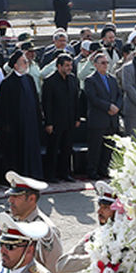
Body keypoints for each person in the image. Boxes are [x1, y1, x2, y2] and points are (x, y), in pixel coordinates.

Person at [0, 172, 64, 273]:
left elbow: (55, 270)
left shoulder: (44, 230)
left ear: (31, 199)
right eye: (10, 196)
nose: (10, 200)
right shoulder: (9, 220)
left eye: (16, 197)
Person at [0, 52, 44, 181]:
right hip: (15, 125)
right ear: (16, 65)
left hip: (31, 123)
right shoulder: (7, 83)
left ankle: (33, 174)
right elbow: (3, 108)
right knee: (16, 152)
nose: (26, 64)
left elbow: (35, 101)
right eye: (24, 62)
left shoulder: (29, 79)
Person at [82, 52, 121, 179]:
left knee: (108, 147)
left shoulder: (112, 79)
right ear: (96, 65)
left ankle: (104, 169)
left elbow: (119, 96)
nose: (105, 65)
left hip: (111, 119)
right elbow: (93, 98)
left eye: (107, 63)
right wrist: (108, 107)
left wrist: (116, 107)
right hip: (98, 119)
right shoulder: (90, 80)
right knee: (95, 148)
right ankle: (93, 171)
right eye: (102, 63)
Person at [41, 54, 78, 182]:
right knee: (53, 149)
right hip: (55, 122)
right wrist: (49, 123)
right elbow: (47, 104)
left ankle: (65, 173)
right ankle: (51, 175)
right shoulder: (49, 81)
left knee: (67, 148)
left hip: (69, 120)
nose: (69, 68)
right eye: (66, 65)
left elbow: (76, 100)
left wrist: (77, 118)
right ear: (59, 66)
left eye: (70, 65)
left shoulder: (73, 79)